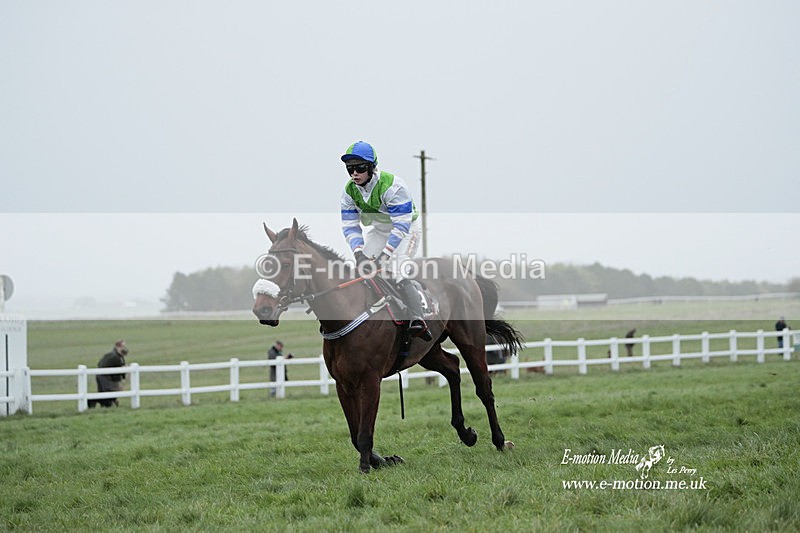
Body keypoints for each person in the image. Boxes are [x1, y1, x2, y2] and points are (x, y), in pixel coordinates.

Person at [339, 140, 432, 341]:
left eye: (360, 168)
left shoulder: (393, 185)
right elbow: (350, 226)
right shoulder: (349, 191)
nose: (355, 173)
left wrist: (385, 255)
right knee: (362, 271)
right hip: (380, 231)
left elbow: (401, 225)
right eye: (350, 169)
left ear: (372, 167)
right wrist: (358, 253)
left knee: (397, 272)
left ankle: (418, 317)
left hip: (406, 230)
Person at [88, 339, 129, 408]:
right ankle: (93, 400)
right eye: (123, 346)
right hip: (104, 376)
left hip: (101, 375)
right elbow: (119, 370)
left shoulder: (114, 355)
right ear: (117, 347)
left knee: (105, 393)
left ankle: (105, 404)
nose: (124, 348)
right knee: (109, 392)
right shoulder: (115, 357)